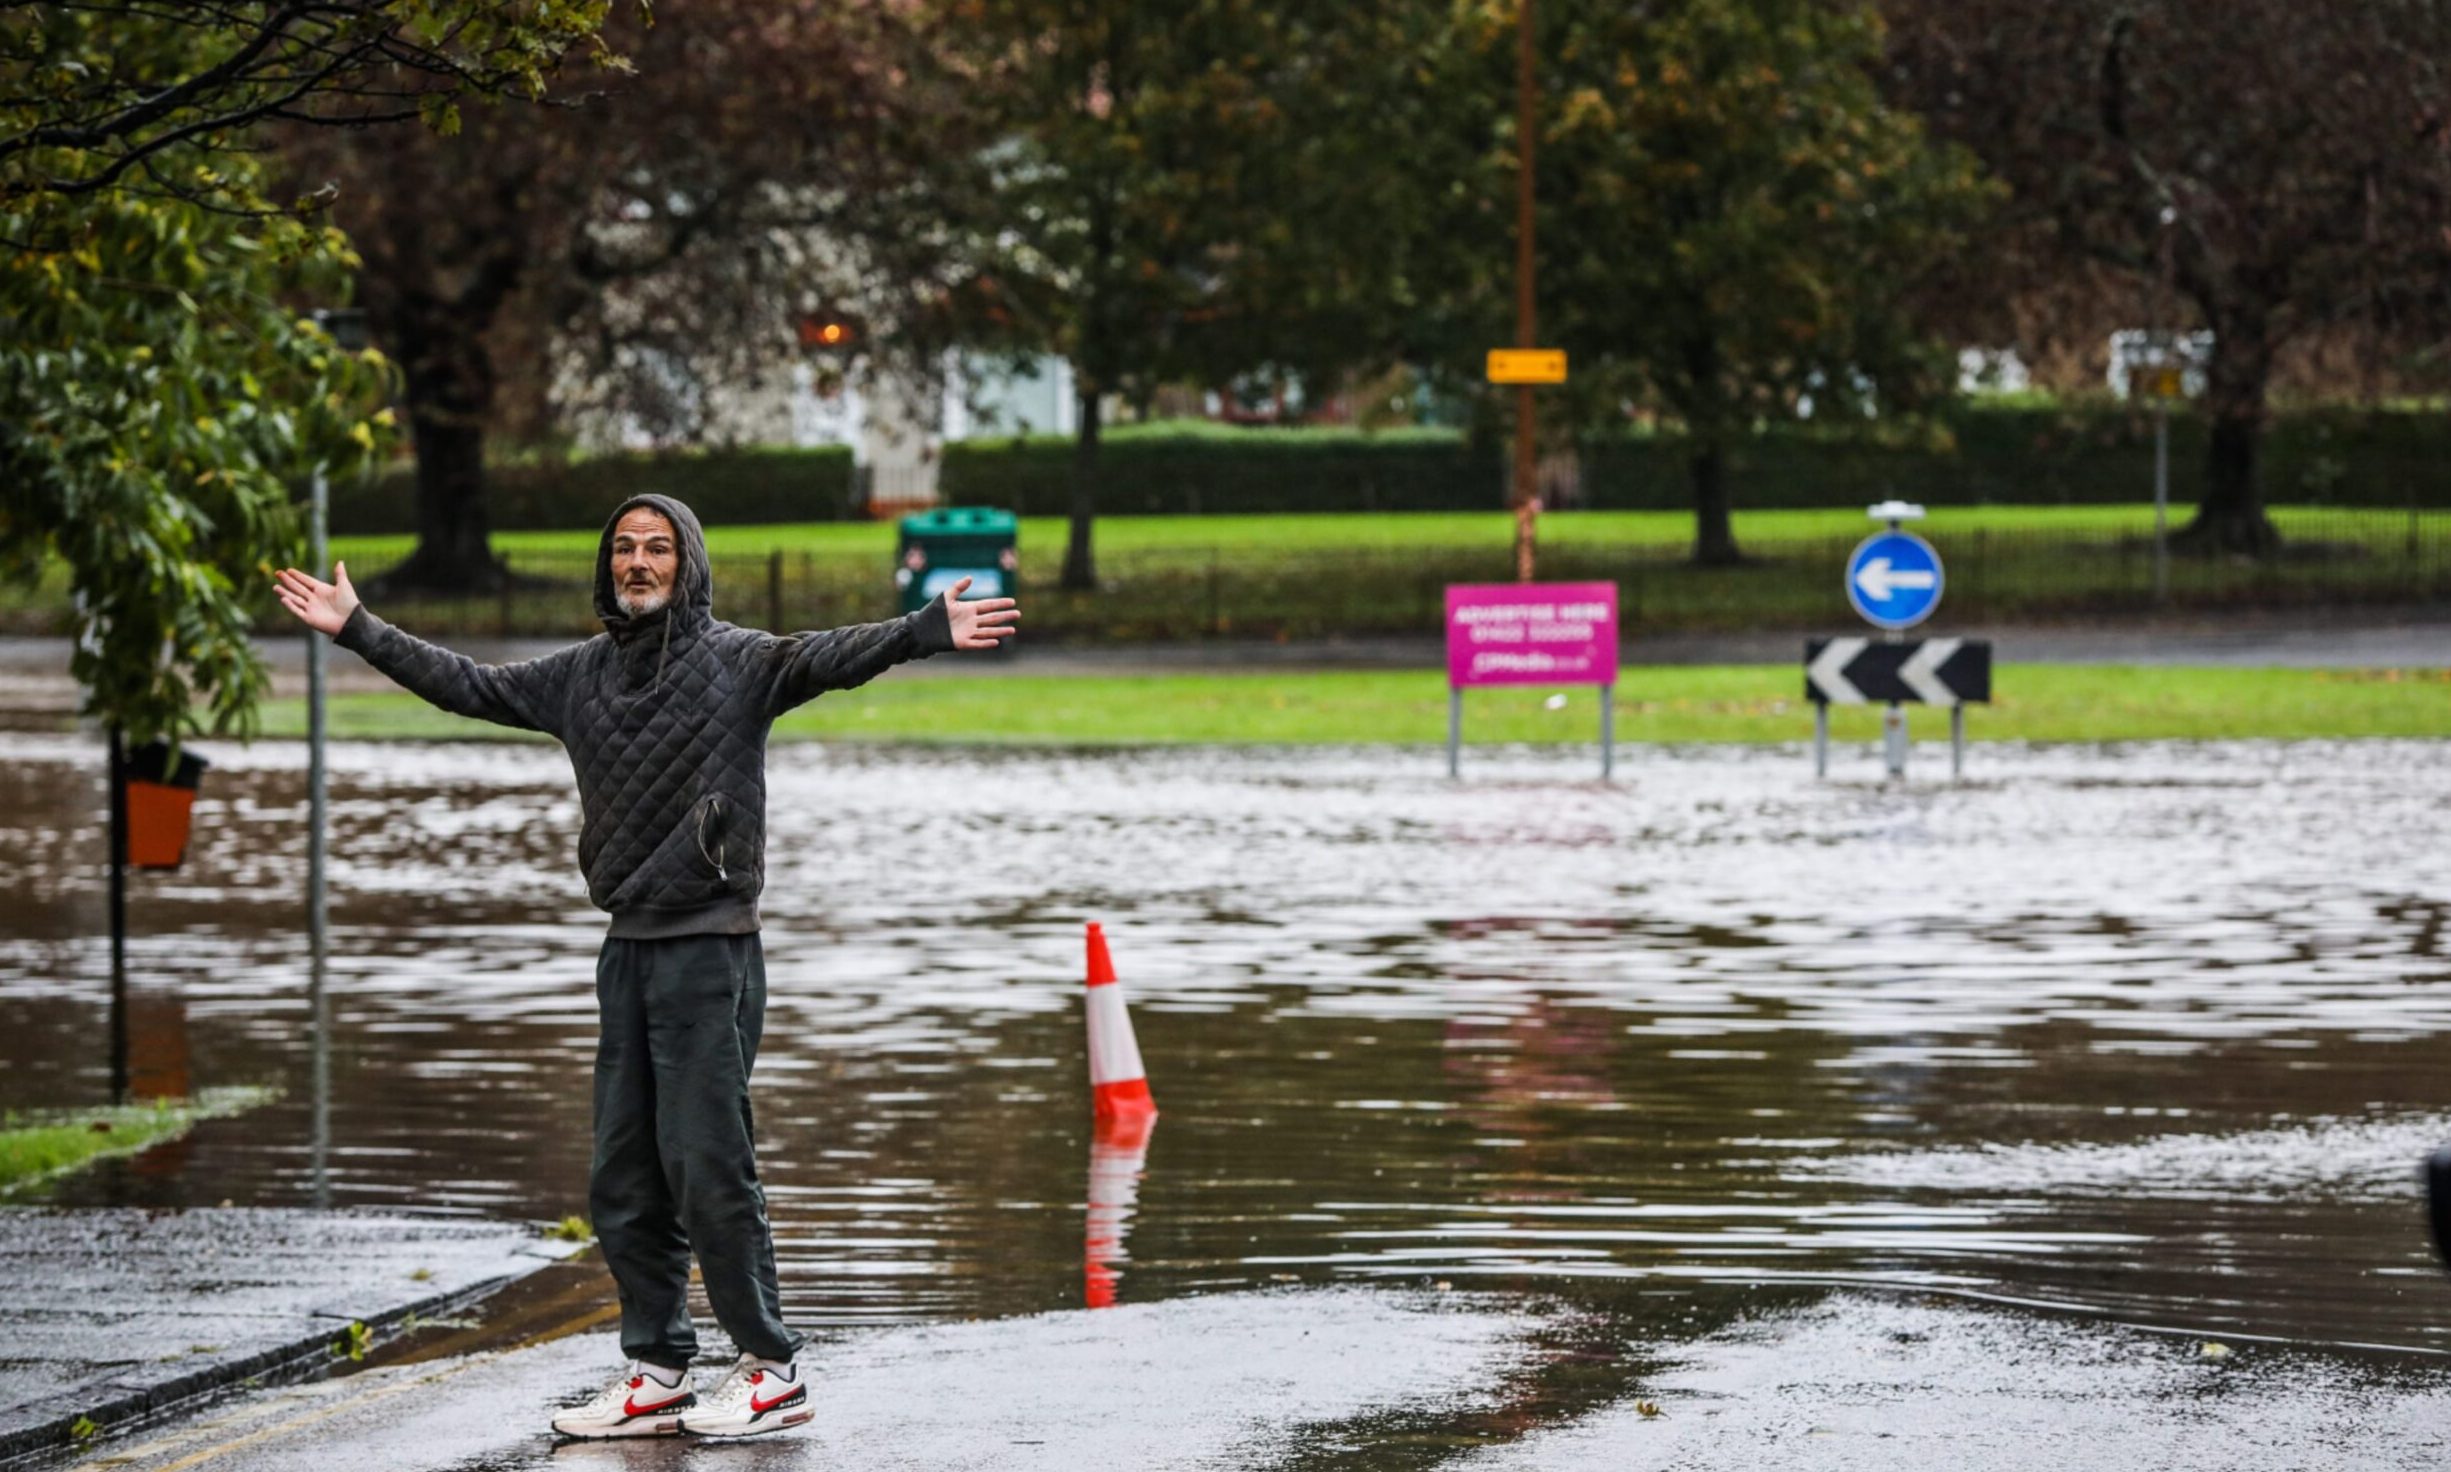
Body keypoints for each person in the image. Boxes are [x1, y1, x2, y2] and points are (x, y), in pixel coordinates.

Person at [275, 495, 1017, 1439]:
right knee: (622, 1174)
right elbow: (469, 685)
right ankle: (658, 1371)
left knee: (708, 1164)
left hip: (711, 949)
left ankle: (771, 1368)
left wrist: (923, 629)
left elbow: (831, 655)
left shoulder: (740, 663)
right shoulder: (579, 677)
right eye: (623, 549)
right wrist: (361, 630)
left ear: (687, 563)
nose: (637, 563)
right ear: (607, 566)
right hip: (625, 946)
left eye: (656, 549)